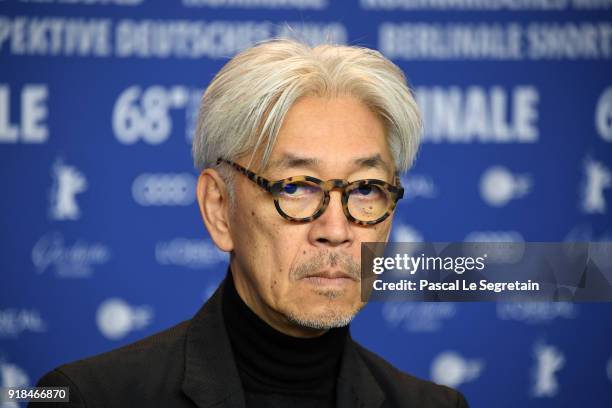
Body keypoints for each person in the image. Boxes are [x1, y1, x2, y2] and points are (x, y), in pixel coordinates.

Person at [32, 38, 469, 408]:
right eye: (296, 187)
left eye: (365, 189)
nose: (336, 230)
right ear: (219, 208)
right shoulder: (88, 397)